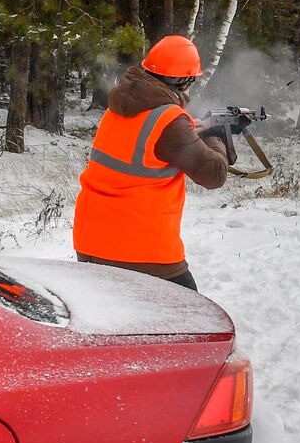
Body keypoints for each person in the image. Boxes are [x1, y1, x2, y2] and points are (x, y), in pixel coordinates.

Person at [72, 35, 233, 291]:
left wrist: (191, 128)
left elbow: (148, 142)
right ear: (185, 81)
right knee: (193, 318)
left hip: (91, 241)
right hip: (141, 251)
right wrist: (214, 135)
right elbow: (214, 175)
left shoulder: (118, 107)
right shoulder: (169, 122)